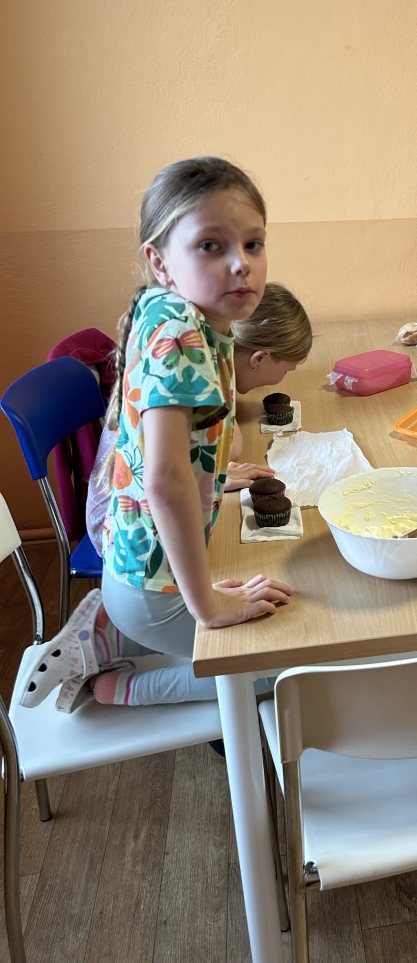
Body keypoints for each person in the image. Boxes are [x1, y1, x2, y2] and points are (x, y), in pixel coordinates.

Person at [22, 157, 296, 711]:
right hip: (154, 590)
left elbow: (187, 452)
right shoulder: (181, 335)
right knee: (285, 668)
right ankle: (117, 688)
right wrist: (207, 606)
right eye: (211, 246)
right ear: (160, 261)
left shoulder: (172, 310)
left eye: (253, 243)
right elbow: (166, 482)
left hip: (140, 574)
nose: (241, 264)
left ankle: (102, 636)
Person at [84, 281, 313, 551]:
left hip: (134, 513)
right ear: (259, 358)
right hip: (121, 531)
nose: (282, 379)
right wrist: (211, 478)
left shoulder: (207, 350)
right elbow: (231, 448)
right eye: (286, 371)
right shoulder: (196, 375)